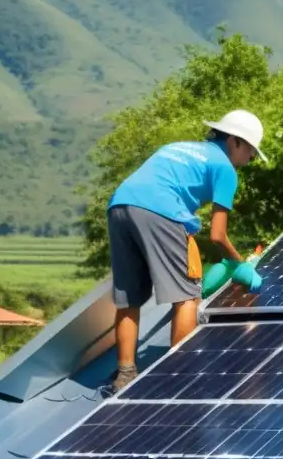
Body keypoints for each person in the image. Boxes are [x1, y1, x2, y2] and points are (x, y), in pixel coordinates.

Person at [104, 109, 266, 393]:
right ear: (235, 142)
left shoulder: (177, 147)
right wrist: (240, 263)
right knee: (187, 296)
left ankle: (125, 375)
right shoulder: (225, 169)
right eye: (251, 151)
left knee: (128, 298)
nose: (251, 159)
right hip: (161, 211)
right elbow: (217, 235)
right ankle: (179, 378)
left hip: (119, 206)